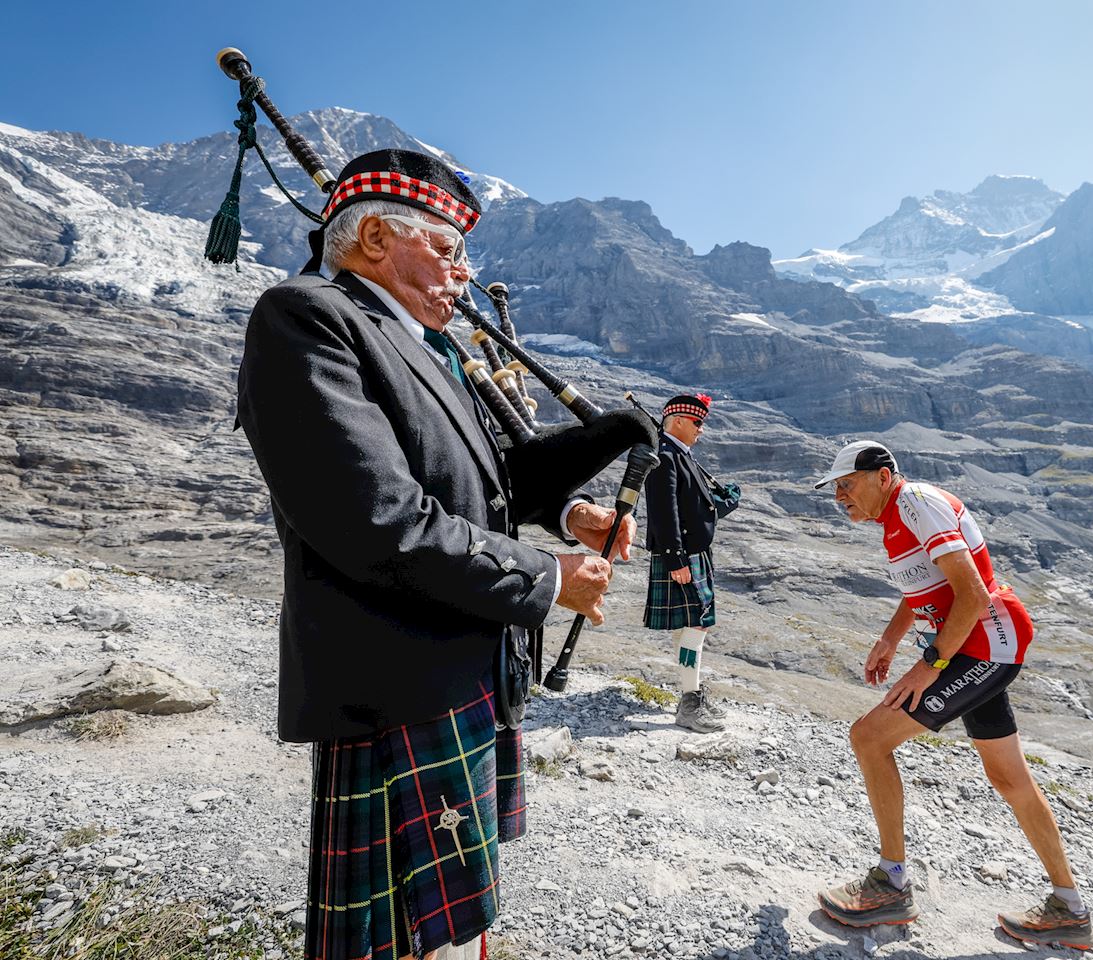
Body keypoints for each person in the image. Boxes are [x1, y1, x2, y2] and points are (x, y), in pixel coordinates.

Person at [236, 149, 641, 960]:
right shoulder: (306, 317)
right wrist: (544, 575)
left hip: (462, 666)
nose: (463, 277)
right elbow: (374, 518)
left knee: (454, 925)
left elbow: (483, 481)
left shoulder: (421, 343)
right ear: (377, 236)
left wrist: (571, 511)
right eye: (450, 252)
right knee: (404, 935)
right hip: (397, 681)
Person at [810, 441, 1093, 952]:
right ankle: (1069, 910)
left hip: (985, 644)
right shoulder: (895, 516)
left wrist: (928, 666)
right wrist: (891, 638)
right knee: (1009, 777)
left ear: (881, 475)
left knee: (870, 737)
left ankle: (890, 884)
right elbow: (924, 587)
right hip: (976, 644)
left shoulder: (916, 502)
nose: (839, 497)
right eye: (835, 490)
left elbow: (974, 594)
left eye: (847, 485)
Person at [642, 393, 732, 732]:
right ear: (677, 420)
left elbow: (693, 506)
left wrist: (721, 504)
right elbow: (665, 513)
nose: (701, 430)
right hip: (683, 556)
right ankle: (689, 703)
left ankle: (691, 694)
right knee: (697, 625)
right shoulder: (665, 458)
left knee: (695, 624)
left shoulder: (681, 456)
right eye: (697, 423)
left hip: (693, 553)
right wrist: (675, 559)